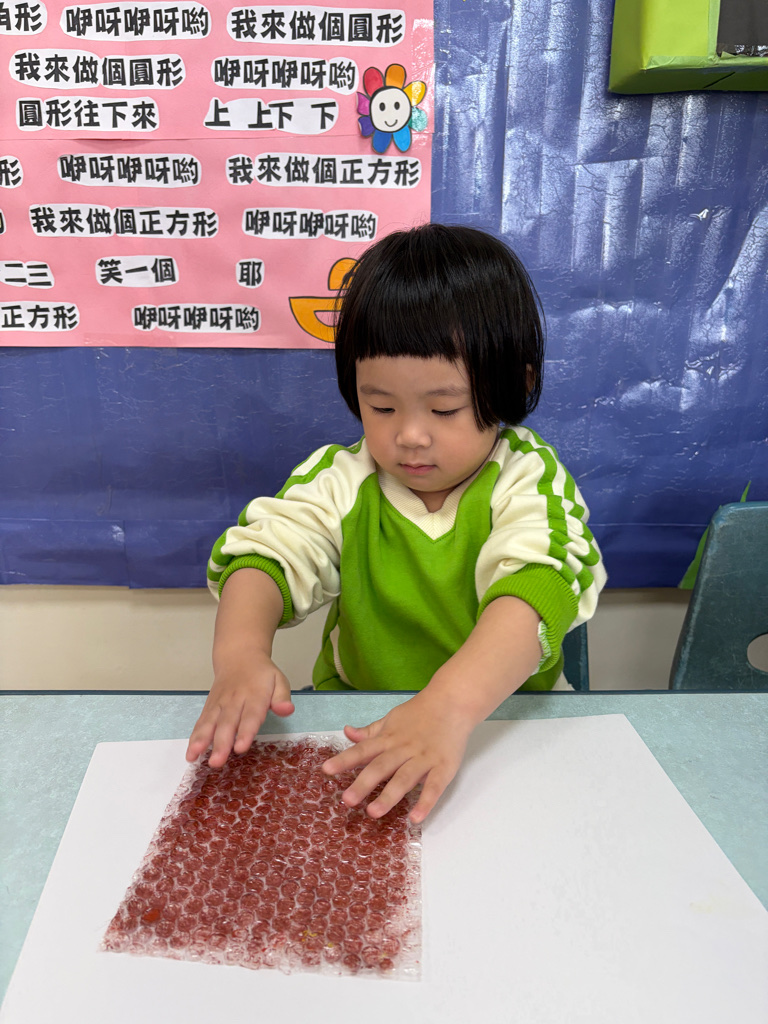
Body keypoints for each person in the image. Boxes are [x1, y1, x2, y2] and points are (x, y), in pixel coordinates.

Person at [187, 224, 606, 823]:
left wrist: (449, 706)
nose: (409, 435)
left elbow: (541, 584)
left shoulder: (527, 478)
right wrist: (240, 655)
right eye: (380, 406)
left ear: (518, 383)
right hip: (359, 719)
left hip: (503, 723)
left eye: (444, 408)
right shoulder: (342, 478)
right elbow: (267, 555)